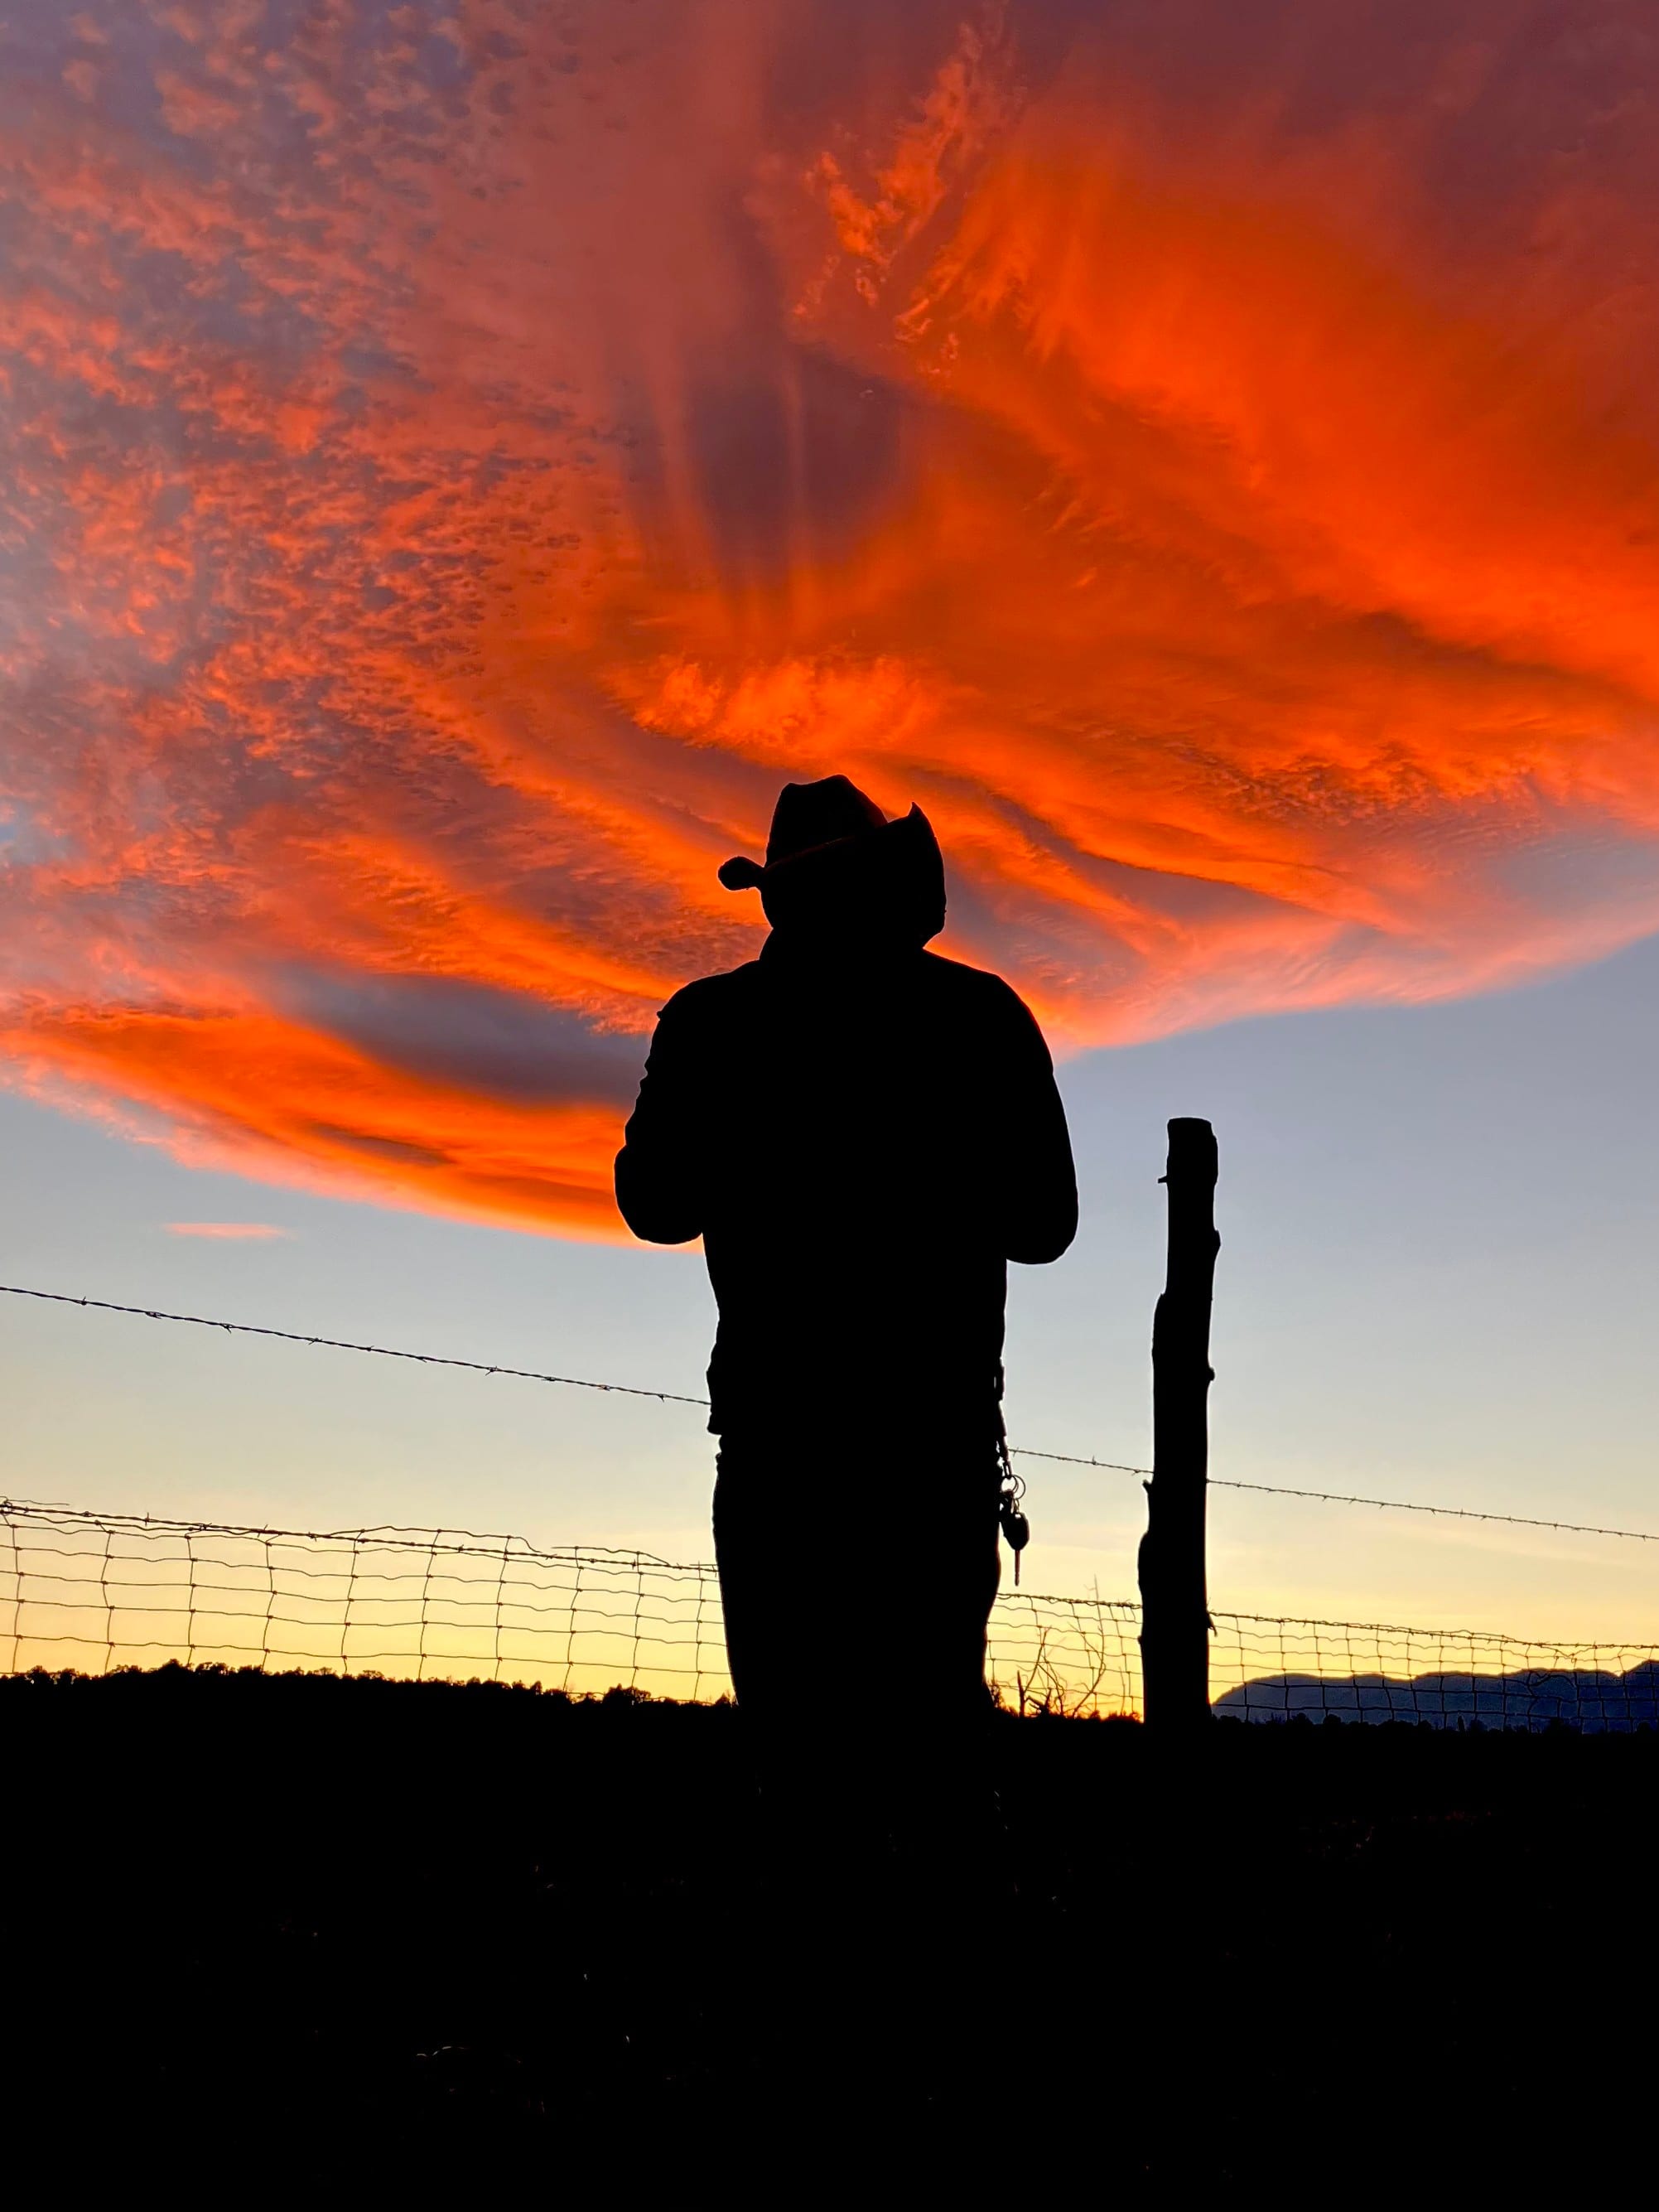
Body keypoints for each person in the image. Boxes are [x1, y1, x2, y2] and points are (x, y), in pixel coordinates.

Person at [614, 775, 1078, 1751]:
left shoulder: (711, 1020)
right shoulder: (977, 1015)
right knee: (927, 1749)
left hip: (785, 1434)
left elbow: (654, 1206)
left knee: (797, 1750)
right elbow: (1043, 1226)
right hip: (928, 1432)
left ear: (777, 895)